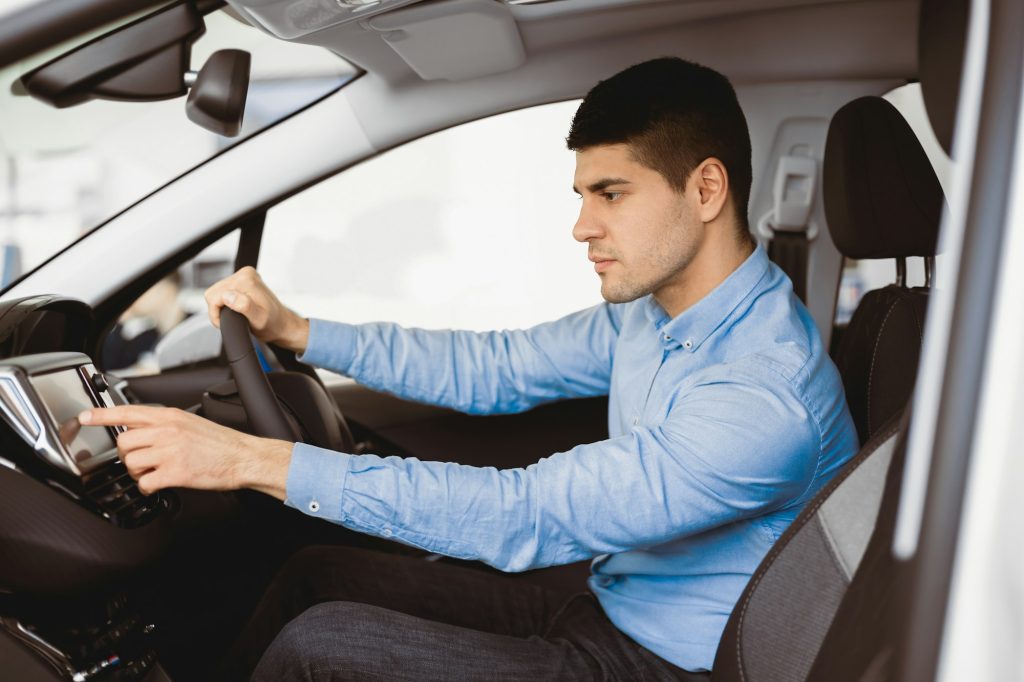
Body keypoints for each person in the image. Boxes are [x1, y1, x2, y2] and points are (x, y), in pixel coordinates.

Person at [80, 58, 858, 680]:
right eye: (583, 194)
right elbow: (497, 368)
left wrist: (251, 460)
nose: (582, 225)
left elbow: (530, 513)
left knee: (323, 647)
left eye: (611, 194)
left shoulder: (763, 393)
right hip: (605, 606)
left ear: (707, 189)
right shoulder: (653, 315)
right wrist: (299, 330)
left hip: (664, 665)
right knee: (314, 575)